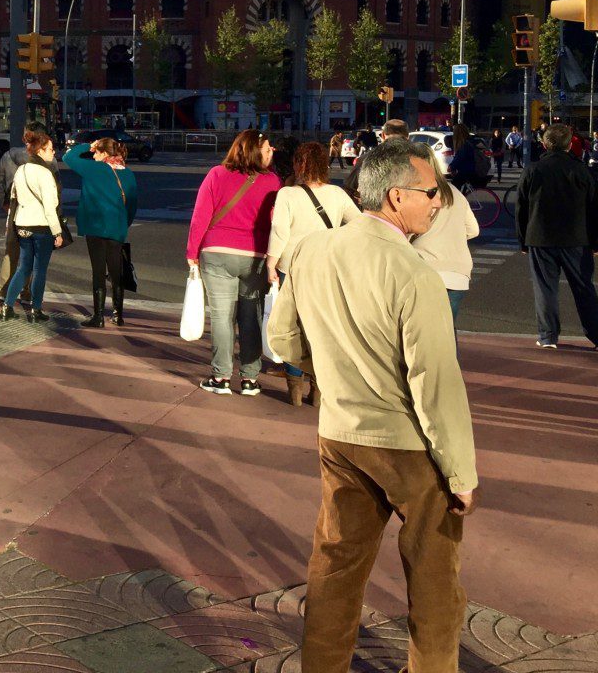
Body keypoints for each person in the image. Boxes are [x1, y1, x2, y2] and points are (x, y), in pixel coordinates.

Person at [268, 139, 479, 673]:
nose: (438, 202)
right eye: (431, 192)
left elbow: (283, 340)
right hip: (407, 446)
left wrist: (332, 374)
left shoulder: (311, 252)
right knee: (433, 581)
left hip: (339, 433)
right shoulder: (414, 275)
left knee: (335, 567)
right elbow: (436, 386)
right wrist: (460, 472)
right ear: (394, 197)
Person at [186, 130, 281, 395]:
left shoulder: (217, 174)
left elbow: (201, 215)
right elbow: (277, 222)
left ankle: (221, 377)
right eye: (267, 148)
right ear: (254, 151)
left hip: (217, 251)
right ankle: (250, 378)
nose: (271, 151)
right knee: (250, 316)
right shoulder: (273, 181)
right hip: (255, 255)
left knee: (222, 316)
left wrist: (192, 250)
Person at [265, 141, 360, 404]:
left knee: (291, 327)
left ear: (299, 164)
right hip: (326, 268)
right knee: (320, 328)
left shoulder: (287, 194)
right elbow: (359, 224)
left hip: (291, 268)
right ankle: (317, 388)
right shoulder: (338, 194)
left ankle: (294, 386)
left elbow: (280, 231)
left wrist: (270, 263)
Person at [517, 123, 598, 349]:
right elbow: (594, 209)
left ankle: (548, 336)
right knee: (584, 289)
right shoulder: (582, 171)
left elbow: (521, 208)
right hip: (577, 239)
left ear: (544, 143)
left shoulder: (533, 170)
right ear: (569, 144)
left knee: (545, 288)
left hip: (540, 237)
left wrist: (523, 239)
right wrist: (595, 241)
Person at [63, 137, 138, 327]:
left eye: (96, 152)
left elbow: (68, 157)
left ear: (104, 153)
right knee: (116, 272)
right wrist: (123, 224)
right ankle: (118, 315)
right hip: (117, 228)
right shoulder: (128, 173)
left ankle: (98, 317)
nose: (93, 155)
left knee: (98, 272)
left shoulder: (94, 169)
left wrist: (88, 145)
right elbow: (131, 205)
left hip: (95, 226)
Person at [0, 121, 58, 304]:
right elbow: (55, 191)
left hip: (15, 212)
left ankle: (4, 292)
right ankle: (27, 294)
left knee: (11, 252)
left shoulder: (9, 155)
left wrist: (3, 201)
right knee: (33, 258)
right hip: (40, 216)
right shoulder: (49, 161)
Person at [411, 150, 479, 324]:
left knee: (422, 329)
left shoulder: (418, 191)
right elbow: (473, 230)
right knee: (447, 330)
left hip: (426, 265)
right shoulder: (454, 191)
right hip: (458, 271)